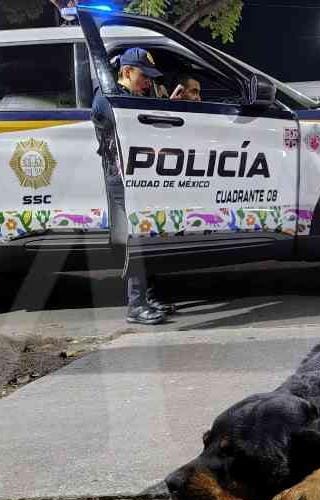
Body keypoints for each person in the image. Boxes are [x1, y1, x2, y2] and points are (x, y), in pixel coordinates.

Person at [105, 48, 178, 325]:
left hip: (141, 176)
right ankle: (135, 306)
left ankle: (147, 298)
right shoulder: (110, 98)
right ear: (125, 72)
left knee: (147, 236)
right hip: (122, 178)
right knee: (135, 239)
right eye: (143, 75)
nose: (147, 81)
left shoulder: (134, 97)